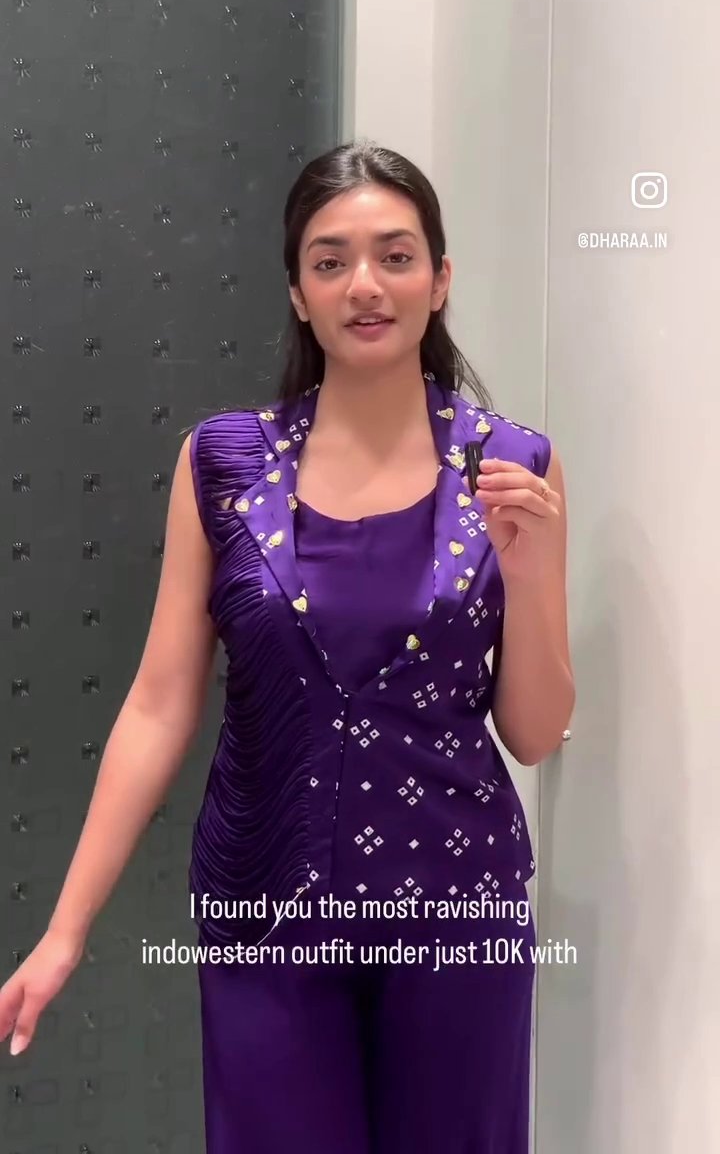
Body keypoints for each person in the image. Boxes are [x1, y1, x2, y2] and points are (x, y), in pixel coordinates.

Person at [0, 140, 574, 1153]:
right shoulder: (223, 462)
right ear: (299, 295)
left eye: (396, 256)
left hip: (457, 907)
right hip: (266, 906)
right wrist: (65, 929)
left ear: (440, 280)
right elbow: (159, 702)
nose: (366, 284)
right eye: (330, 260)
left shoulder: (512, 465)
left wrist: (528, 575)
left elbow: (534, 731)